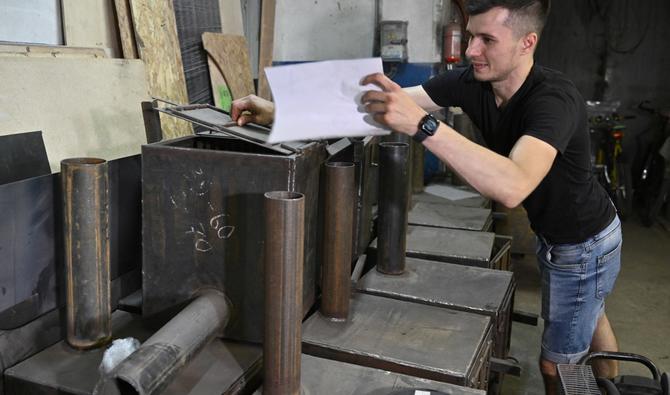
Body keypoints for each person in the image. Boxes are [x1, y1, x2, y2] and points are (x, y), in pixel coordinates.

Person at [232, 1, 622, 393]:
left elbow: (513, 185)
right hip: (559, 233)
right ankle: (615, 387)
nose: (471, 51)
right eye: (471, 36)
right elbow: (383, 106)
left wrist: (422, 124)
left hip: (583, 242)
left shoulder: (554, 99)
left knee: (558, 365)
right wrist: (280, 112)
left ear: (527, 43)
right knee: (591, 316)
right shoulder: (472, 83)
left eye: (487, 40)